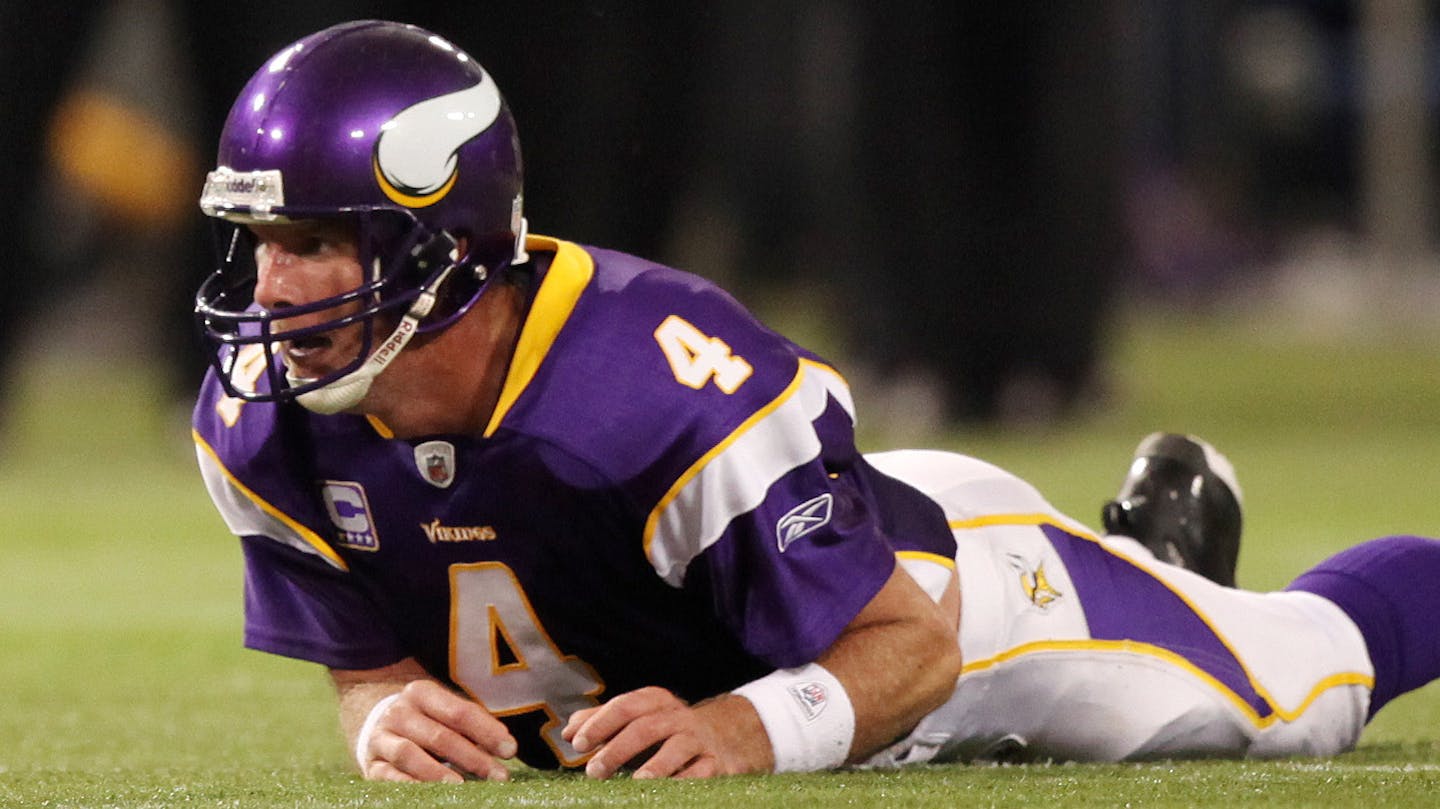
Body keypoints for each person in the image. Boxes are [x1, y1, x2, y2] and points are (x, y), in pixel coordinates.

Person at [191, 21, 1440, 783]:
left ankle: (1142, 574)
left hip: (948, 610)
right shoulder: (260, 415)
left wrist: (740, 730)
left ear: (440, 243)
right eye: (258, 239)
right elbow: (374, 659)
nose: (271, 284)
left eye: (311, 240)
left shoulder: (650, 377)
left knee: (1304, 693)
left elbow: (911, 644)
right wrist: (379, 712)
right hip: (764, 587)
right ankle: (1158, 554)